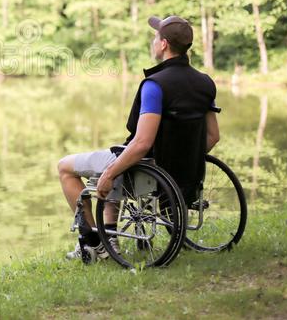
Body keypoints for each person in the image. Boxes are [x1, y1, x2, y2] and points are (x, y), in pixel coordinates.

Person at [57, 15, 221, 262]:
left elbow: (142, 143)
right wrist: (183, 157)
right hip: (185, 173)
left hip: (149, 170)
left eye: (156, 37)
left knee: (67, 167)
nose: (153, 41)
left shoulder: (155, 85)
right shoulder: (205, 82)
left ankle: (95, 244)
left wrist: (110, 174)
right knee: (116, 158)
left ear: (164, 44)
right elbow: (213, 136)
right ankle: (110, 237)